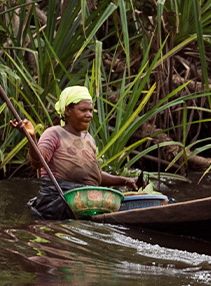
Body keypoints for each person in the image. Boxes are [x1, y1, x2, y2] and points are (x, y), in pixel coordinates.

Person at [13, 85, 138, 220]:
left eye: (90, 110)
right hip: (58, 201)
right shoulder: (54, 134)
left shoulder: (88, 139)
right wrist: (31, 138)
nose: (89, 115)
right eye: (83, 110)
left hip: (87, 201)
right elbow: (38, 162)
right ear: (68, 111)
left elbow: (95, 175)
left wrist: (126, 181)